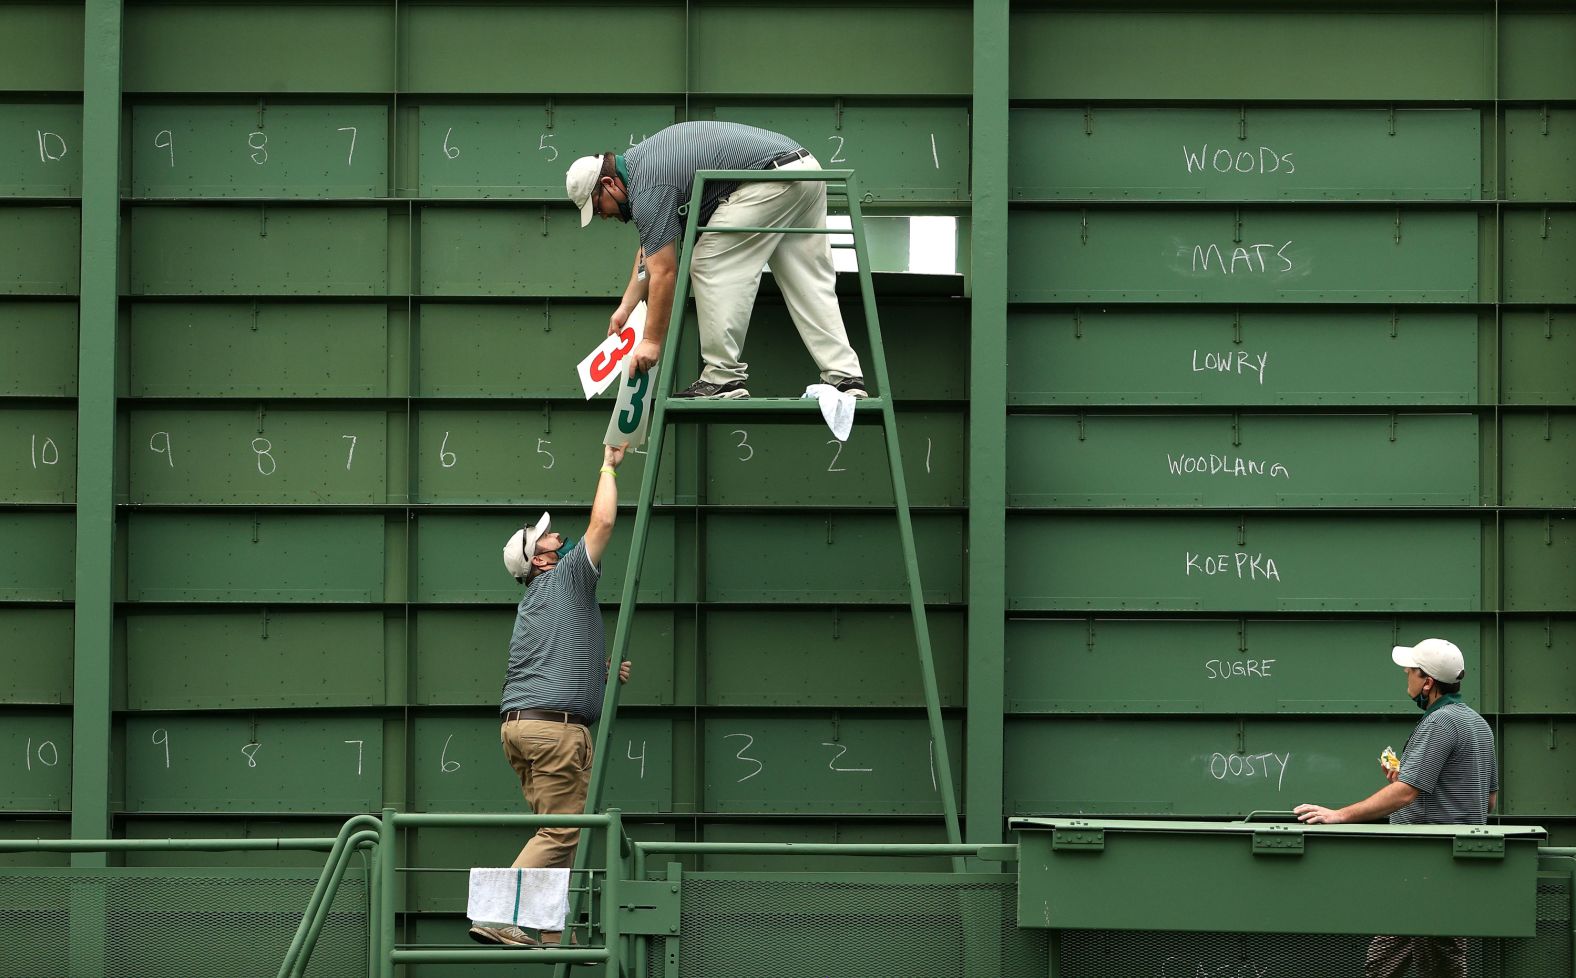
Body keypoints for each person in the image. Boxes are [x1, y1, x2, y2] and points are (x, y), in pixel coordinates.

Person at [564, 120, 868, 400]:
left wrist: (652, 342)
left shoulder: (648, 187)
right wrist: (626, 308)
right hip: (804, 169)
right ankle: (845, 376)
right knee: (807, 280)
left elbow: (665, 272)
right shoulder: (643, 166)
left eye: (598, 207)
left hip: (770, 178)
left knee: (708, 261)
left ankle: (722, 377)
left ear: (609, 183)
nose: (604, 215)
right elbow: (649, 251)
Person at [468, 442, 633, 949]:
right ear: (539, 560)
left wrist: (599, 673)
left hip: (518, 729)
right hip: (554, 732)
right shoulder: (566, 578)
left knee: (559, 835)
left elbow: (553, 660)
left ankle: (554, 934)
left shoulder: (534, 606)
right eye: (544, 538)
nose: (553, 534)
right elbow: (603, 524)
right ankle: (496, 915)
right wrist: (609, 462)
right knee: (563, 832)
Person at [1292, 638, 1498, 978]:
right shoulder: (1479, 725)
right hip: (1450, 868)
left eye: (1412, 671)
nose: (1406, 674)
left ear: (1428, 682)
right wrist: (1413, 782)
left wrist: (1338, 815)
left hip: (1425, 866)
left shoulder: (1439, 723)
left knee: (1411, 965)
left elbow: (1406, 793)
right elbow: (1485, 799)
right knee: (1418, 961)